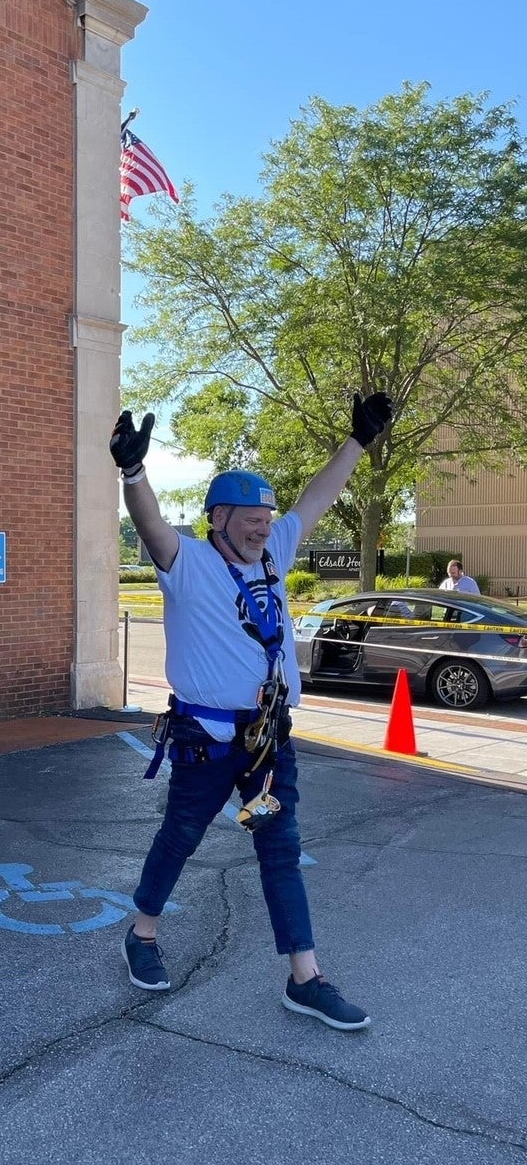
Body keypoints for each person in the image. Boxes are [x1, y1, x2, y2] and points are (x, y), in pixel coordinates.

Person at [110, 391, 394, 1031]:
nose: (263, 523)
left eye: (266, 513)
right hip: (206, 740)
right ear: (216, 519)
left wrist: (357, 442)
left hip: (269, 742)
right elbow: (151, 524)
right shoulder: (188, 563)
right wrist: (133, 472)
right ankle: (143, 935)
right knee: (180, 837)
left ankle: (305, 977)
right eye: (248, 514)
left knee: (281, 852)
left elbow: (316, 499)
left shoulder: (274, 554)